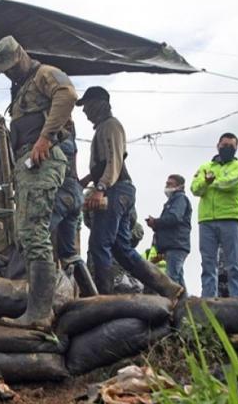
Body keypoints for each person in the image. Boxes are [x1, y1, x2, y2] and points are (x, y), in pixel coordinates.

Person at [0, 35, 74, 329]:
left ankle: (39, 313)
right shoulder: (22, 86)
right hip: (28, 162)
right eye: (7, 70)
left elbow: (67, 95)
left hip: (42, 159)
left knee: (35, 233)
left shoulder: (43, 73)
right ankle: (36, 310)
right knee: (26, 233)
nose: (12, 71)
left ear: (23, 54)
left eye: (14, 65)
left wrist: (45, 138)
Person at [78, 86, 183, 299]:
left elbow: (114, 161)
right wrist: (87, 180)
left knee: (100, 244)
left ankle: (103, 298)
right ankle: (168, 288)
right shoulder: (103, 128)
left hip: (116, 191)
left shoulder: (110, 126)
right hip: (121, 190)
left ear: (99, 104)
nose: (84, 111)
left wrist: (100, 188)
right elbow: (105, 163)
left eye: (87, 105)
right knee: (121, 250)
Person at [190, 133, 238, 297]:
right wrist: (206, 182)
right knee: (208, 264)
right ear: (218, 145)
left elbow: (231, 183)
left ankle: (237, 298)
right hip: (206, 220)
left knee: (233, 263)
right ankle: (208, 298)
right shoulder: (205, 166)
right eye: (224, 145)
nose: (227, 148)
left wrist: (210, 182)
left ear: (236, 148)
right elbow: (195, 189)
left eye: (231, 146)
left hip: (230, 219)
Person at [50, 121, 96, 295]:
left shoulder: (62, 141)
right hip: (75, 193)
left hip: (62, 193)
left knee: (34, 236)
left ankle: (26, 289)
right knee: (69, 253)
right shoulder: (72, 143)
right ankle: (93, 297)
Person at [146, 174, 192, 288]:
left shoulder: (180, 199)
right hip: (171, 245)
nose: (166, 186)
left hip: (176, 245)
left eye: (170, 184)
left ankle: (174, 303)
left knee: (172, 279)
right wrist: (155, 225)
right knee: (178, 279)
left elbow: (174, 218)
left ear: (180, 186)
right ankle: (185, 303)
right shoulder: (172, 201)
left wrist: (156, 222)